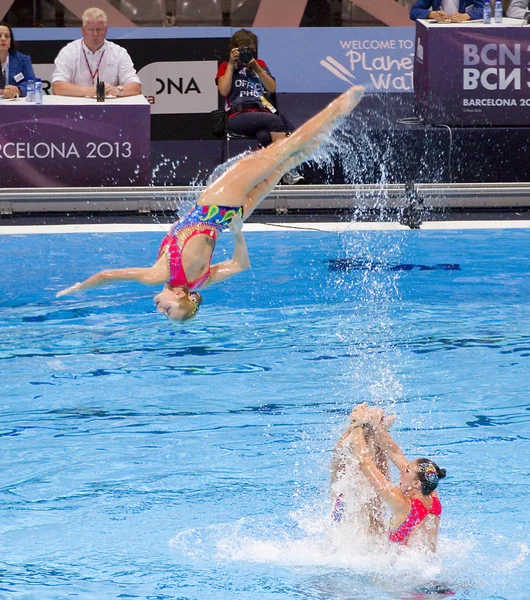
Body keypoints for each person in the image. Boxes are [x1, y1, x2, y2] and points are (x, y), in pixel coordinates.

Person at [56, 85, 365, 321]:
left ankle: (327, 133)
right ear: (178, 294)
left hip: (232, 215)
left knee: (285, 163)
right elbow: (107, 276)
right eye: (168, 310)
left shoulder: (202, 282)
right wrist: (78, 288)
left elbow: (240, 265)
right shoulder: (159, 276)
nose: (160, 310)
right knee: (281, 151)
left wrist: (238, 231)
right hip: (216, 205)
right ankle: (338, 108)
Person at [332, 403, 446, 552]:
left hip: (400, 569)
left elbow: (365, 461)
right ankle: (372, 428)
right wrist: (377, 427)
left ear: (416, 483)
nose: (401, 470)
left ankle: (364, 431)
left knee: (370, 505)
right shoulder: (432, 493)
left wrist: (356, 425)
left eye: (406, 471)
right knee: (374, 515)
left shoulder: (401, 502)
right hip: (423, 564)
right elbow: (395, 453)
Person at [216, 29, 304, 185]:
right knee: (275, 122)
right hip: (238, 116)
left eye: (251, 49)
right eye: (244, 49)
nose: (247, 53)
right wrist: (231, 64)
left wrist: (256, 68)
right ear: (234, 49)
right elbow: (223, 90)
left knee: (265, 136)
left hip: (261, 113)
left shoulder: (260, 64)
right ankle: (287, 171)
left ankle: (260, 176)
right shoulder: (225, 66)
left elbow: (271, 87)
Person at [51, 7, 141, 99]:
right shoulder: (68, 52)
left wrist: (117, 90)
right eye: (91, 30)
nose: (95, 35)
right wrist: (88, 91)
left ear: (106, 30)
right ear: (83, 31)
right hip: (76, 107)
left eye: (99, 30)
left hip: (109, 107)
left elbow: (136, 86)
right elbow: (57, 87)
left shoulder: (119, 53)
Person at [0, 21, 35, 99]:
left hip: (14, 104)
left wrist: (18, 90)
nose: (3, 39)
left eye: (7, 36)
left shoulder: (23, 59)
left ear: (10, 41)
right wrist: (3, 91)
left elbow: (32, 83)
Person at [409, 0, 485, 21]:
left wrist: (467, 16)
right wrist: (431, 14)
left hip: (465, 32)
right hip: (439, 32)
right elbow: (414, 12)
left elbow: (484, 10)